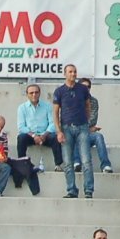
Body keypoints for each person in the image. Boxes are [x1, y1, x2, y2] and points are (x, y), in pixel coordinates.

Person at [52, 63, 95, 199]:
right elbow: (55, 113)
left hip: (82, 127)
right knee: (68, 162)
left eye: (75, 71)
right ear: (65, 74)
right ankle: (71, 190)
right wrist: (59, 131)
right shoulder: (59, 91)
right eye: (70, 72)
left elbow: (88, 107)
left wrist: (86, 123)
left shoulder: (83, 89)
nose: (73, 74)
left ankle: (88, 190)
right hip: (66, 128)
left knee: (86, 160)